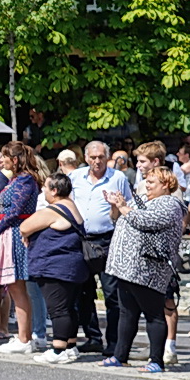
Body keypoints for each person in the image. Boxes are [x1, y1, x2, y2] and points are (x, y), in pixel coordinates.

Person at [103, 166, 186, 372]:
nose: (146, 186)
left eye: (151, 183)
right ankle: (120, 356)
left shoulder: (171, 204)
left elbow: (146, 221)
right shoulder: (145, 200)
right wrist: (115, 205)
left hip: (148, 268)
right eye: (146, 182)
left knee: (154, 314)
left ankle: (156, 361)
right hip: (127, 268)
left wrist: (123, 207)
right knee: (127, 313)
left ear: (166, 185)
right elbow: (118, 218)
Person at [22, 173, 91, 364]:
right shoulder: (71, 206)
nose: (43, 190)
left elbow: (25, 227)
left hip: (56, 266)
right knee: (69, 308)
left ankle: (58, 349)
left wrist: (29, 233)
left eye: (45, 187)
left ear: (54, 190)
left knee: (58, 309)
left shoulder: (53, 210)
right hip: (73, 265)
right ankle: (70, 346)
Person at [69, 141, 127, 353]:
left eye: (101, 157)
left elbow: (127, 207)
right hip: (80, 239)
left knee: (112, 293)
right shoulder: (75, 177)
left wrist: (115, 207)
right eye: (93, 157)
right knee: (83, 292)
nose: (97, 161)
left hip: (106, 240)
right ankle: (93, 337)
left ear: (107, 158)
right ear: (86, 158)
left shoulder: (117, 178)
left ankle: (114, 342)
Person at [0, 142, 42, 353]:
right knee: (15, 287)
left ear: (15, 159)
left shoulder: (26, 180)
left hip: (16, 234)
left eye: (5, 156)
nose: (1, 160)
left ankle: (24, 338)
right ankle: (23, 335)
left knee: (18, 287)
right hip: (9, 233)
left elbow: (15, 211)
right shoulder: (17, 180)